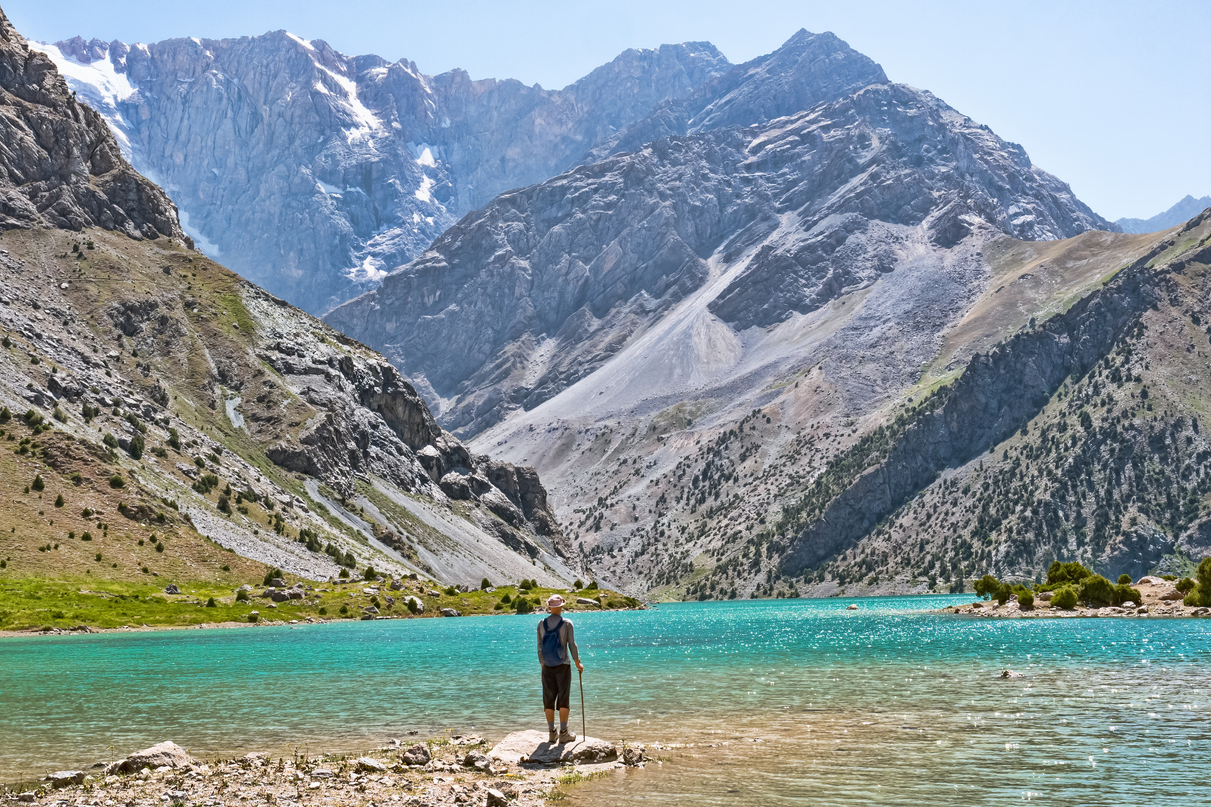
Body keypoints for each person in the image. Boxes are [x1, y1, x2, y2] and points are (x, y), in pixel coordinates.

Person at [537, 593, 584, 743]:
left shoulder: (541, 624)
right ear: (561, 606)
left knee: (548, 699)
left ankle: (552, 733)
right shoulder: (567, 623)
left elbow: (539, 647)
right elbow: (572, 644)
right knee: (563, 698)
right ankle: (564, 733)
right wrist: (578, 663)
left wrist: (543, 664)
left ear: (549, 607)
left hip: (547, 666)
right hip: (563, 665)